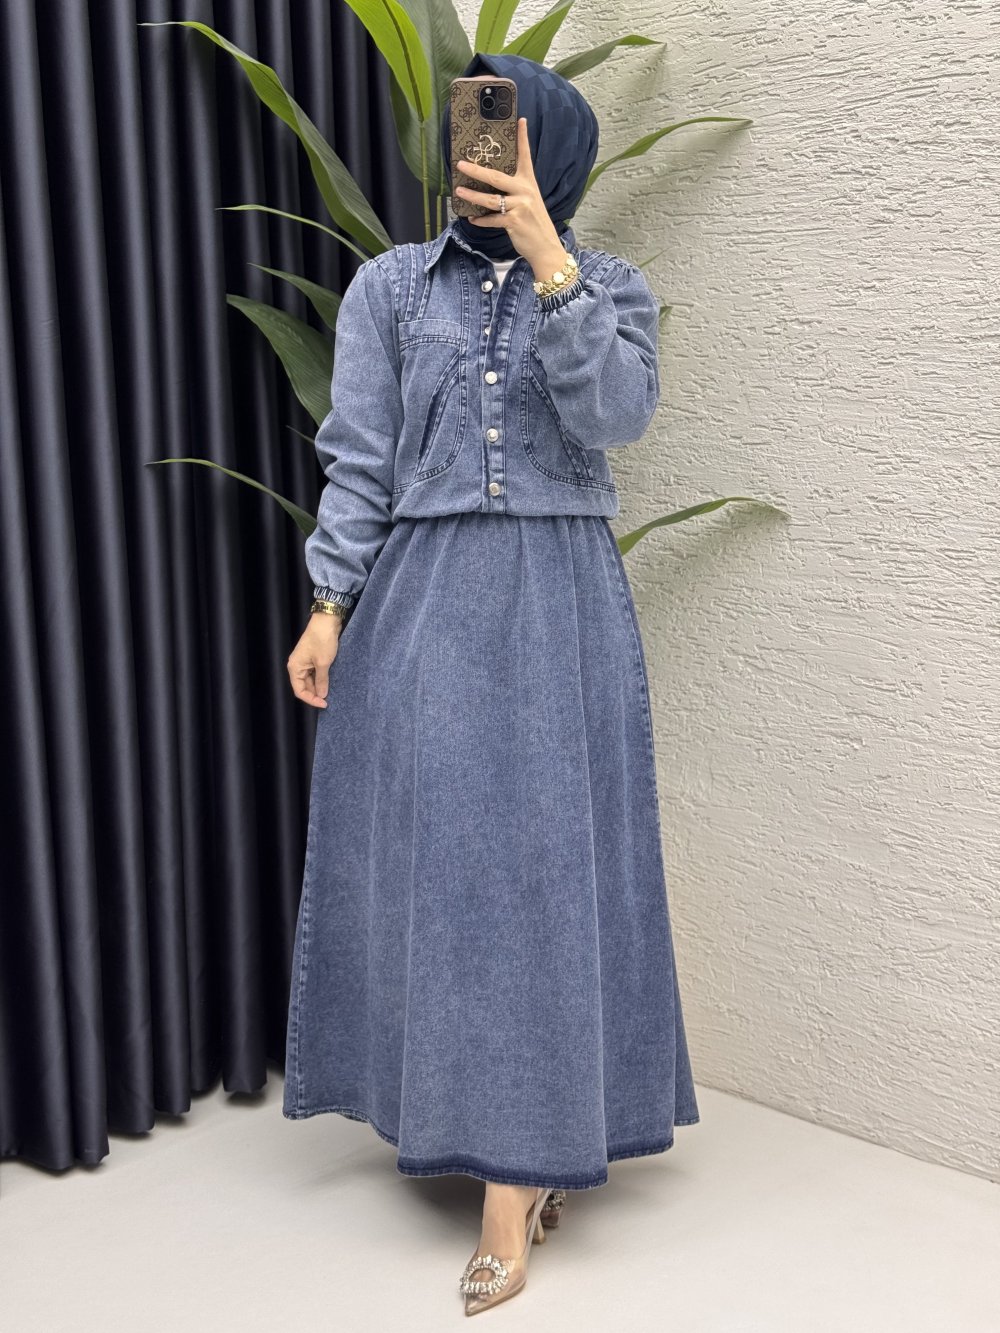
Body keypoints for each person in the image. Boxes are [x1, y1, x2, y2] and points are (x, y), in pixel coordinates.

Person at [283, 51, 700, 1316]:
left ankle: (515, 1186)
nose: (485, 155)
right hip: (423, 605)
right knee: (442, 874)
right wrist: (328, 602)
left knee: (544, 879)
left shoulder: (608, 286)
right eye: (474, 130)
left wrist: (547, 259)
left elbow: (616, 416)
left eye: (511, 136)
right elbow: (361, 456)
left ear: (549, 152)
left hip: (560, 607)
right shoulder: (390, 288)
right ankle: (463, 1120)